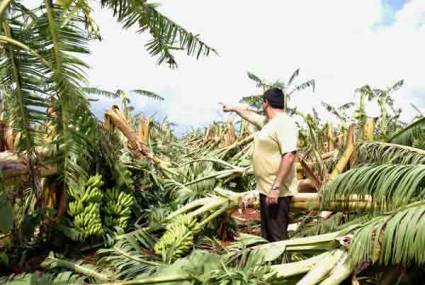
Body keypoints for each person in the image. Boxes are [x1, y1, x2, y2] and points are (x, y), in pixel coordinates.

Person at [221, 88, 298, 241]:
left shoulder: (284, 123)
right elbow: (250, 116)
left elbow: (289, 155)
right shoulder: (269, 123)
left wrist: (276, 187)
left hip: (277, 192)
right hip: (266, 189)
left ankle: (283, 264)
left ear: (265, 102)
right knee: (268, 235)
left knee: (277, 237)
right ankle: (271, 264)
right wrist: (234, 108)